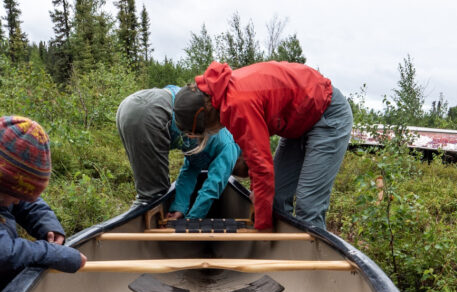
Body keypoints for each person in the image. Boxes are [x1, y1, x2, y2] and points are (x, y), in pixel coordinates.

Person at [173, 61, 353, 231]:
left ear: (206, 118)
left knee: (308, 205)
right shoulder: (224, 97)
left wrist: (262, 228)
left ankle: (312, 261)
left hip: (326, 112)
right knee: (276, 199)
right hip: (297, 124)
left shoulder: (237, 103)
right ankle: (282, 250)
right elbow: (253, 154)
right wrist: (256, 192)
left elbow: (262, 168)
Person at [116, 85, 241, 218]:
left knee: (150, 194)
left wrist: (179, 207)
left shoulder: (211, 146)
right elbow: (213, 187)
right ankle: (134, 233)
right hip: (155, 112)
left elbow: (190, 171)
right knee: (154, 197)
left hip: (131, 105)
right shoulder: (231, 146)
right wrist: (192, 220)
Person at [0, 115, 85, 289]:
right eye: (13, 194)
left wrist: (47, 224)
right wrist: (53, 254)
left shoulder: (4, 191)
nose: (17, 201)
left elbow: (22, 201)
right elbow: (4, 253)